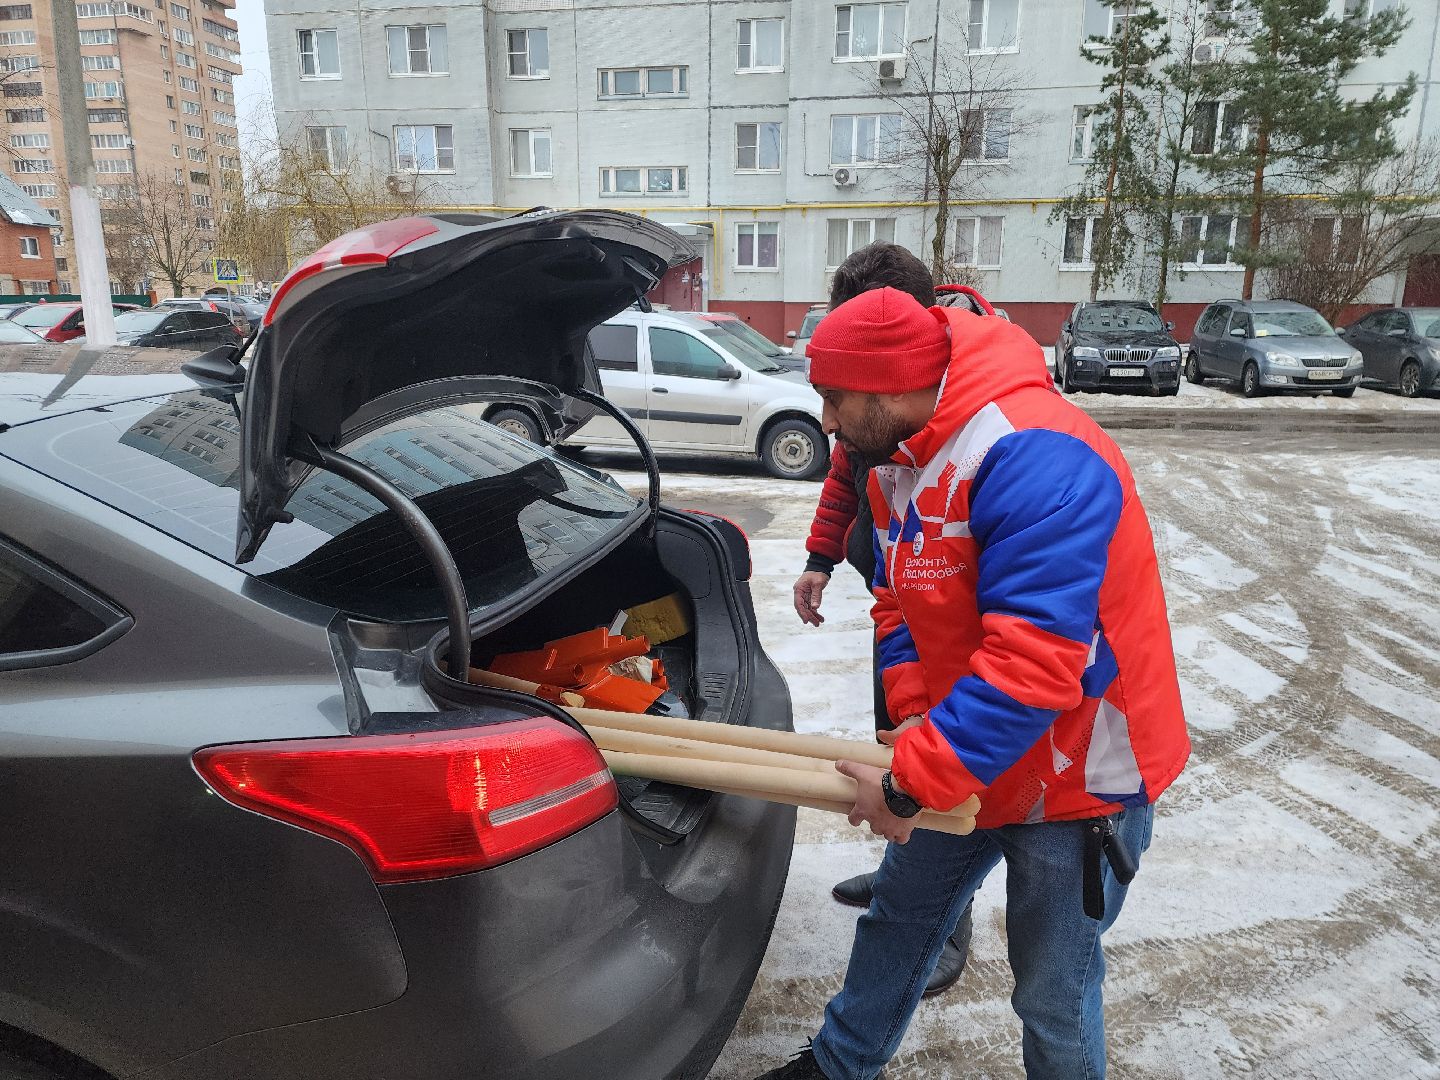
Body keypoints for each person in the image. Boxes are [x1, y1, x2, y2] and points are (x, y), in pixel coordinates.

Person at [759, 287, 1189, 1080]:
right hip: (966, 744)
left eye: (832, 398)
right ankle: (837, 1065)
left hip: (1077, 776)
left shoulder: (1036, 453)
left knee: (1053, 992)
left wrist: (909, 782)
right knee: (899, 920)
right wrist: (920, 731)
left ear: (887, 387)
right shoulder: (897, 458)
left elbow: (1033, 664)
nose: (823, 422)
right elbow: (896, 601)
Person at [791, 245, 978, 998]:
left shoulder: (967, 406)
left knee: (946, 756)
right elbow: (846, 470)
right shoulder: (868, 409)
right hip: (893, 595)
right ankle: (900, 866)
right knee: (894, 742)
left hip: (953, 613)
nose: (834, 415)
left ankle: (943, 928)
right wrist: (819, 556)